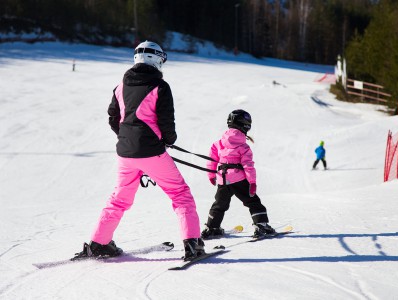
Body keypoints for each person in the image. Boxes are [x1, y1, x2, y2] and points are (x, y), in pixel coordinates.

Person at [74, 41, 205, 261]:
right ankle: (193, 244)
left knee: (118, 199)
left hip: (125, 153)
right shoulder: (160, 87)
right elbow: (167, 123)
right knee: (181, 195)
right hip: (152, 152)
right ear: (156, 59)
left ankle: (99, 243)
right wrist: (167, 141)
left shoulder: (120, 86)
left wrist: (128, 138)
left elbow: (113, 119)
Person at [201, 109, 276, 239]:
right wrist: (252, 182)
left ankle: (212, 228)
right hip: (238, 179)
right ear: (246, 125)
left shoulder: (218, 143)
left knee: (219, 204)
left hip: (222, 180)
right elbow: (248, 165)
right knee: (253, 201)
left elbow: (212, 159)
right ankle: (261, 225)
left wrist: (211, 175)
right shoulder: (243, 146)